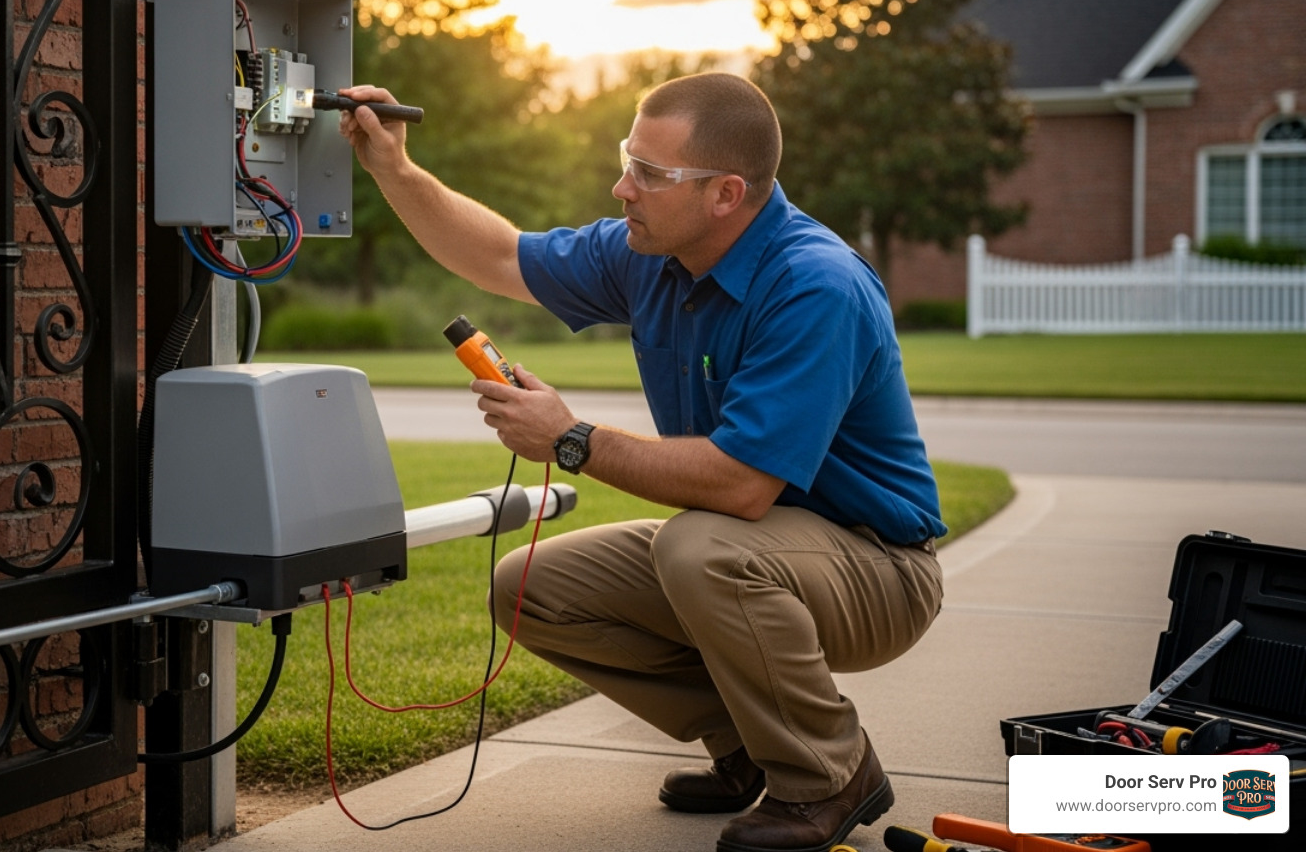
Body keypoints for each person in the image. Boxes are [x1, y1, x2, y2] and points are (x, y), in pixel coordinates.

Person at [337, 72, 945, 852]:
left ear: (726, 194)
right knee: (529, 587)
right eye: (629, 159)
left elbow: (741, 485)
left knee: (697, 547)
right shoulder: (650, 253)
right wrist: (394, 166)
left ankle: (826, 775)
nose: (622, 187)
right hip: (754, 550)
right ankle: (750, 748)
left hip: (878, 567)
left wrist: (572, 438)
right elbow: (496, 256)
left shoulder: (814, 286)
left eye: (650, 174)